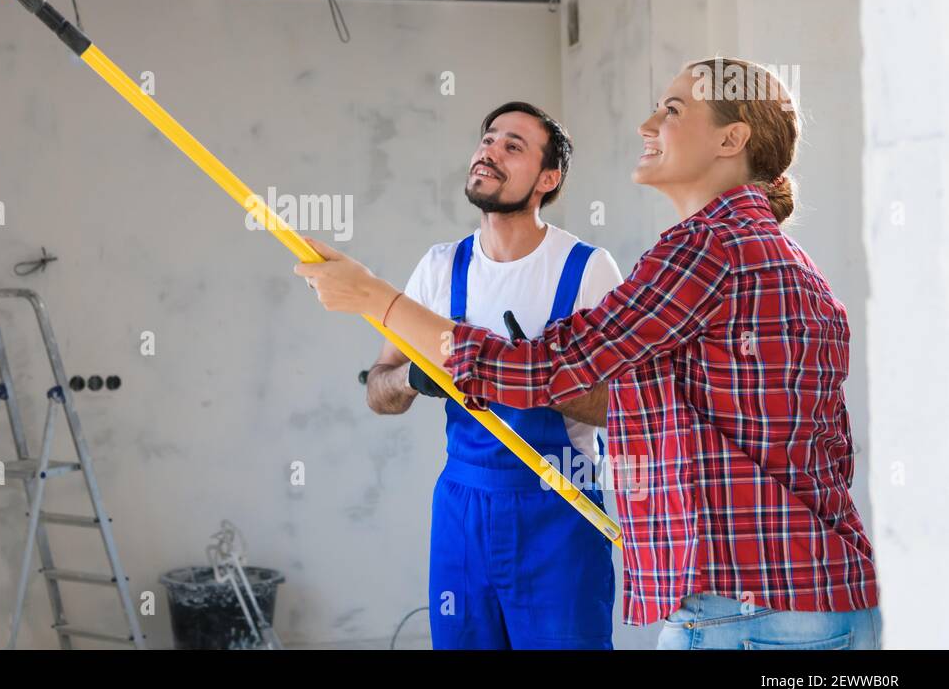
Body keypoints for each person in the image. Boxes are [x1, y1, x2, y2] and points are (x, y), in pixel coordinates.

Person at [297, 58, 882, 649]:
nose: (647, 125)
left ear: (732, 140)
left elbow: (542, 372)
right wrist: (418, 374)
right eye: (488, 139)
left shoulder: (698, 251)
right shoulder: (778, 254)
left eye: (672, 110)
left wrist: (374, 296)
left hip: (745, 609)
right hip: (806, 593)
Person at [364, 101, 623, 649]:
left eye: (513, 146)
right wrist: (414, 378)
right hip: (464, 511)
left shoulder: (586, 270)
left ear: (548, 179)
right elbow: (378, 390)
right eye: (488, 139)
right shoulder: (440, 268)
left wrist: (534, 373)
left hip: (561, 508)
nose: (490, 150)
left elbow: (621, 407)